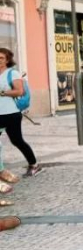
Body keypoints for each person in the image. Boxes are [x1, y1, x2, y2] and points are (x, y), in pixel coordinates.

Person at [0, 48, 40, 177]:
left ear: (7, 60)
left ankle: (34, 164)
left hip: (11, 114)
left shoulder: (13, 73)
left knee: (17, 140)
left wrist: (2, 93)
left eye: (1, 58)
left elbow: (19, 91)